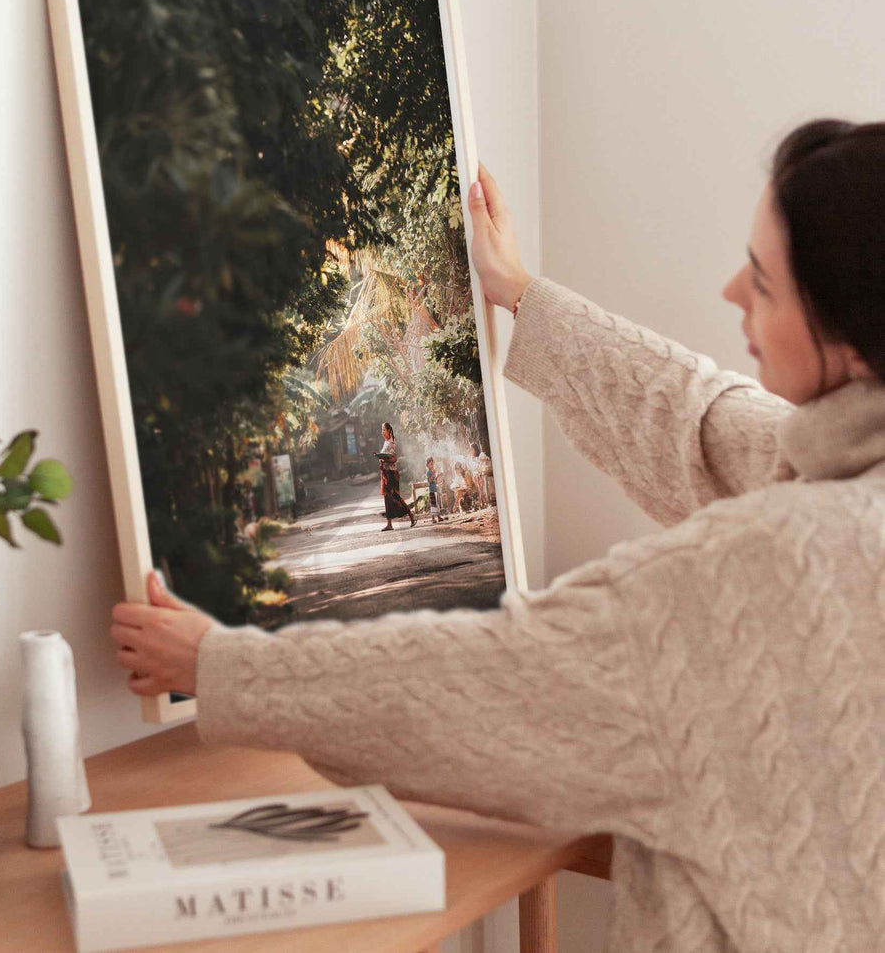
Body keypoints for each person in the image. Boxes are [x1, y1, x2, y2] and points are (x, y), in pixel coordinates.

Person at [111, 120, 885, 952]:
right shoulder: (846, 473)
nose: (733, 290)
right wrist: (520, 293)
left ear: (850, 341)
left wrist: (218, 665)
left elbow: (483, 683)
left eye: (765, 284)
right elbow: (699, 421)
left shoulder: (765, 570)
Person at [374, 421, 416, 531]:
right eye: (382, 430)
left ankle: (411, 514)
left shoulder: (391, 443)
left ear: (389, 431)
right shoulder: (385, 442)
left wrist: (384, 458)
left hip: (392, 474)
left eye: (384, 429)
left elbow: (394, 459)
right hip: (386, 473)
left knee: (395, 497)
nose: (382, 432)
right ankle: (389, 523)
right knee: (387, 498)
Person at [425, 456, 442, 521]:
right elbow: (430, 480)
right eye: (431, 464)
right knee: (433, 504)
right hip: (431, 490)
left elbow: (435, 481)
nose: (432, 466)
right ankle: (433, 518)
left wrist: (437, 476)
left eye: (433, 464)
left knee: (436, 503)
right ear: (427, 465)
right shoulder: (429, 472)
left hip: (435, 489)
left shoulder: (432, 472)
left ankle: (438, 516)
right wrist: (433, 474)